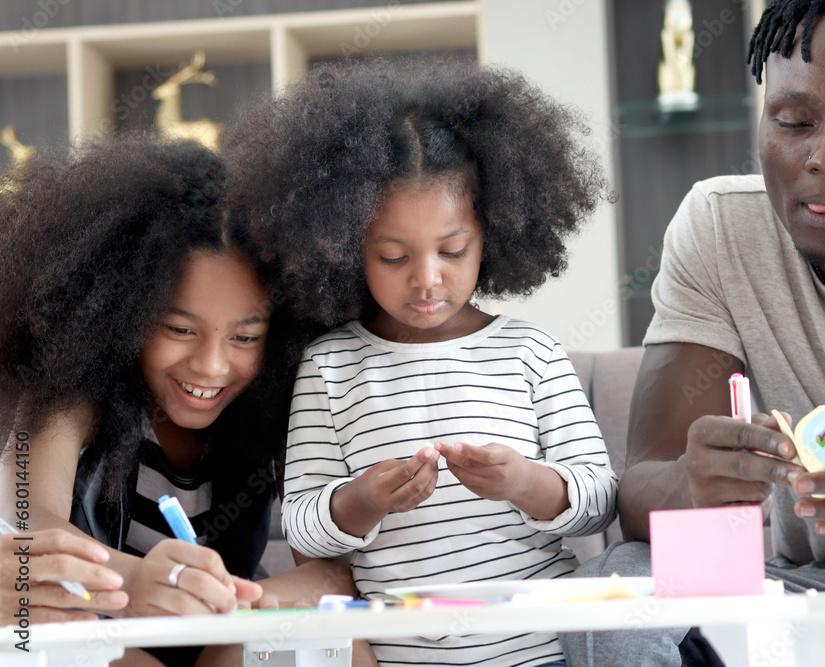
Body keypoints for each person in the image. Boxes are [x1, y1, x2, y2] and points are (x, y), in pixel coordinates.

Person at [561, 1, 825, 665]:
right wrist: (692, 482)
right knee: (616, 581)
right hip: (809, 602)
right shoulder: (718, 228)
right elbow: (641, 494)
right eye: (793, 121)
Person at [222, 59, 619, 666]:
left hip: (541, 654)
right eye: (392, 255)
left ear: (494, 234)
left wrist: (523, 482)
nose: (426, 279)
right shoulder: (330, 366)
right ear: (345, 246)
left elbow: (599, 499)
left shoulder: (530, 352)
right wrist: (364, 498)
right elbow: (301, 527)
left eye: (452, 249)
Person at [0, 133, 346, 667]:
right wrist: (131, 580)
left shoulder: (286, 405)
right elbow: (25, 514)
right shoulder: (72, 391)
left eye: (245, 337)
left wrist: (246, 615)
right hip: (101, 634)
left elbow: (327, 570)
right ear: (124, 311)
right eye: (179, 329)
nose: (211, 366)